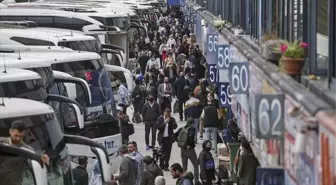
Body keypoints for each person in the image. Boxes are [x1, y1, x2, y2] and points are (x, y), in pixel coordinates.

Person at [0, 120, 50, 185]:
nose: (18, 139)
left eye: (21, 136)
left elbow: (34, 162)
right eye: (16, 135)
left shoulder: (27, 150)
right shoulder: (2, 143)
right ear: (10, 131)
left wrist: (43, 159)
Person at [175, 118, 200, 184]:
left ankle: (184, 180)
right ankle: (196, 180)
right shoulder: (192, 129)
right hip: (190, 150)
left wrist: (180, 143)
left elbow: (174, 135)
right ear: (192, 123)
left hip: (182, 150)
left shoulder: (182, 128)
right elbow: (190, 139)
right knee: (195, 165)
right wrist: (191, 145)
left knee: (184, 167)